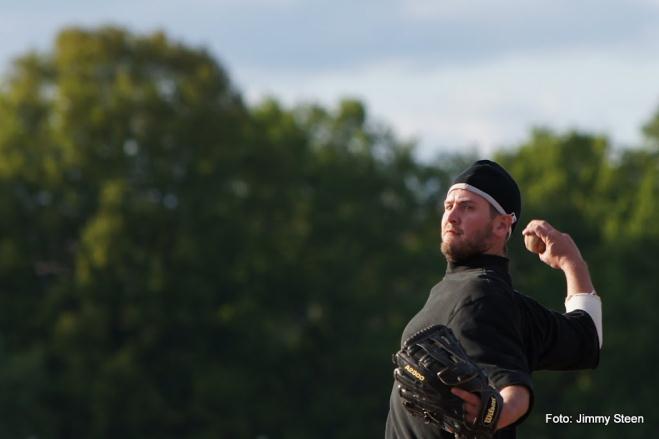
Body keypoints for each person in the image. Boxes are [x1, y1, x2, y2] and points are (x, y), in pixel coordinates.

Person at [385, 160, 602, 439]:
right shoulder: (489, 299)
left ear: (501, 226)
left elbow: (513, 392)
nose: (451, 216)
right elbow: (589, 338)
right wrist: (573, 264)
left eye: (467, 207)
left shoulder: (482, 296)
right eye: (448, 206)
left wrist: (490, 416)